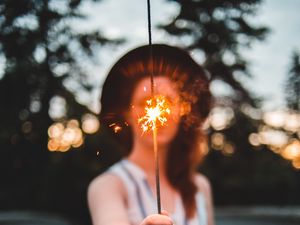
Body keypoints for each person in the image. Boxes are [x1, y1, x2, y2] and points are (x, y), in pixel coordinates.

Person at [87, 44, 214, 225]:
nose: (159, 111)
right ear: (127, 114)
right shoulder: (110, 186)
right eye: (146, 102)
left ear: (182, 112)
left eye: (169, 102)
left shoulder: (199, 186)